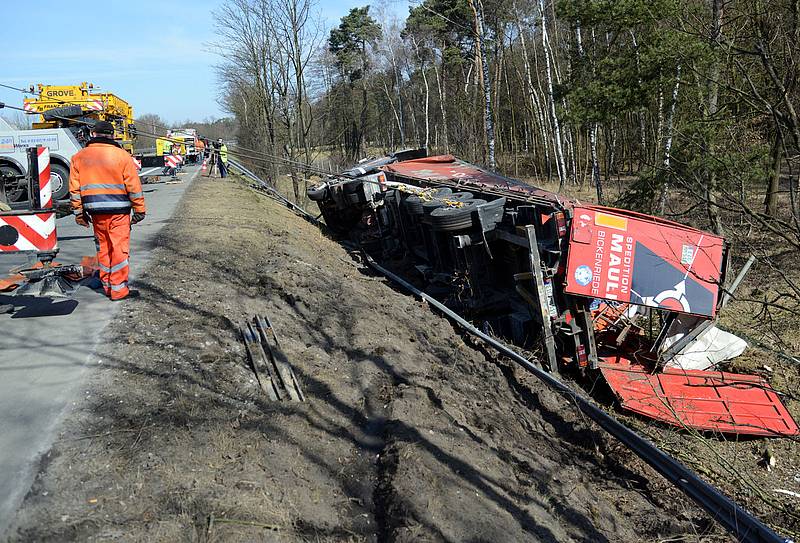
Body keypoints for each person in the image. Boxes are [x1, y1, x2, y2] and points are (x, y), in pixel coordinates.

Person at [69, 121, 146, 301]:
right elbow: (134, 186)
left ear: (93, 134)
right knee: (119, 249)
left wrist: (79, 213)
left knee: (103, 249)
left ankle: (108, 286)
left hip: (95, 213)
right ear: (112, 135)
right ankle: (118, 290)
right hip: (118, 212)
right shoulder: (122, 156)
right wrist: (140, 209)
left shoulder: (78, 157)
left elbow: (74, 190)